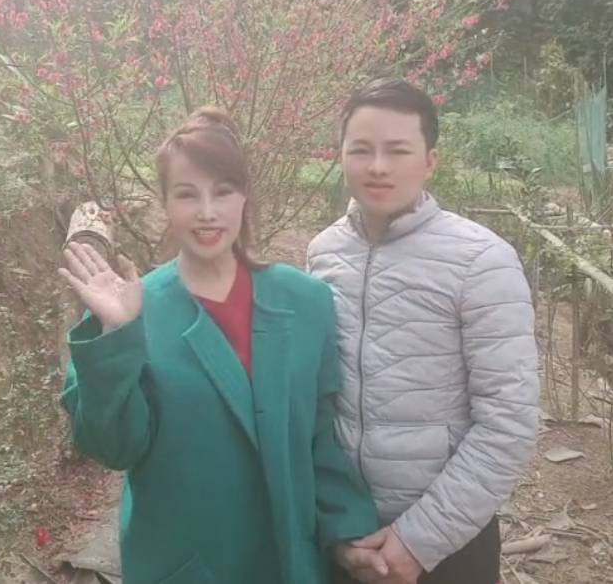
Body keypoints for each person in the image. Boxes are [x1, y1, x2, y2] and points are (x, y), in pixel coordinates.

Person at [58, 106, 384, 584]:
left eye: (223, 191)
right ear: (165, 203)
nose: (207, 212)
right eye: (187, 194)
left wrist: (348, 532)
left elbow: (320, 435)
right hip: (185, 565)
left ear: (245, 196)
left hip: (291, 564)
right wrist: (116, 336)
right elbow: (114, 449)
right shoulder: (130, 310)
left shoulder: (306, 301)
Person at [307, 78, 540, 584]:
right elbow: (320, 401)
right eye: (361, 149)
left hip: (448, 541)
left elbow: (508, 422)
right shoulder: (324, 254)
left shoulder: (483, 261)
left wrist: (417, 542)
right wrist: (337, 523)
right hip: (348, 531)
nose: (378, 166)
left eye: (398, 150)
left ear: (430, 160)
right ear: (340, 155)